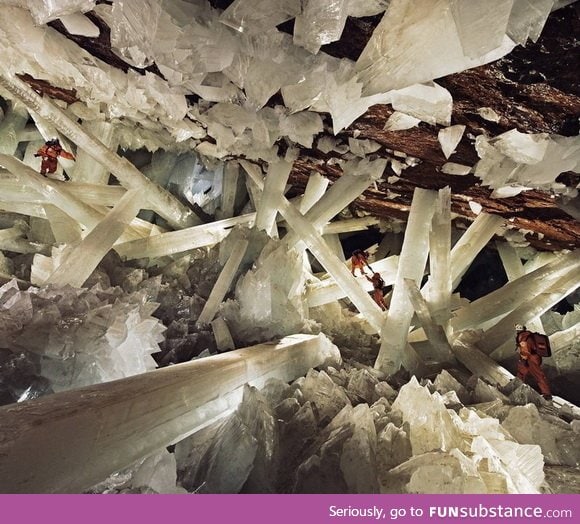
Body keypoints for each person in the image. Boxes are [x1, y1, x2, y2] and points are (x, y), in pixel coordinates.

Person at [515, 324, 552, 400]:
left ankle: (547, 394)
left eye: (518, 328)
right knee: (522, 371)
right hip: (536, 357)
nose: (517, 329)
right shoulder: (529, 334)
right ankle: (517, 384)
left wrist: (524, 359)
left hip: (530, 358)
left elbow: (525, 349)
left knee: (538, 375)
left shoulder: (523, 336)